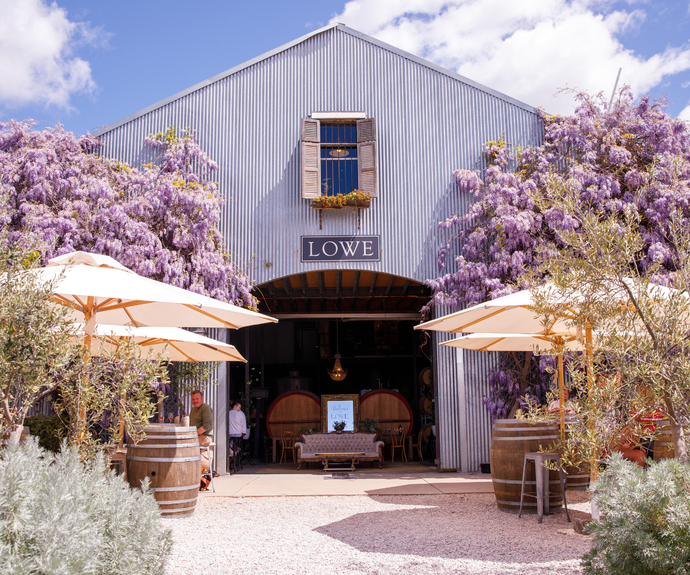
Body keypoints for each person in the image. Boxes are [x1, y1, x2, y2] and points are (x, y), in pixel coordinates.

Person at [190, 390, 214, 472]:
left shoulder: (206, 408)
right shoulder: (193, 409)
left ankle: (193, 469)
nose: (195, 401)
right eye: (193, 399)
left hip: (204, 437)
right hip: (196, 436)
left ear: (202, 399)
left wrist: (192, 435)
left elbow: (206, 426)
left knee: (184, 443)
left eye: (197, 399)